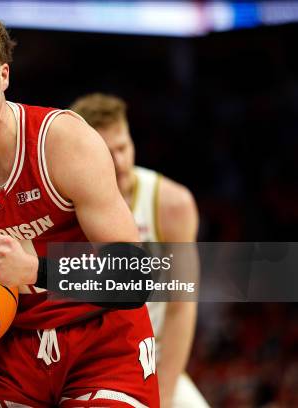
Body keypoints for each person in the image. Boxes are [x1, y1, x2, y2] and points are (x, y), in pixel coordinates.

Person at [0, 6, 159, 407]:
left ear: (4, 75)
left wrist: (37, 271)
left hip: (102, 339)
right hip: (11, 352)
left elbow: (135, 280)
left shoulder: (63, 142)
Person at [70, 93, 208, 408]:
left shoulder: (171, 203)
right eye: (106, 152)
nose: (118, 162)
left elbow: (181, 307)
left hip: (151, 360)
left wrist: (166, 392)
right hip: (87, 368)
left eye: (123, 147)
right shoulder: (62, 206)